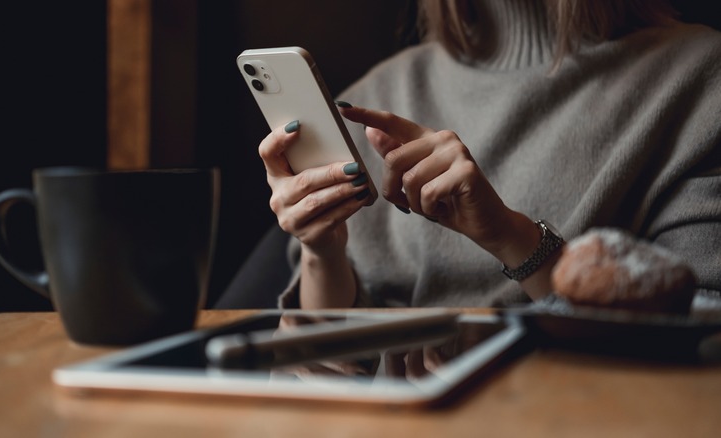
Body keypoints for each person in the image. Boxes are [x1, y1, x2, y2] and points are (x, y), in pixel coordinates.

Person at [256, 0, 721, 311]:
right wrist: (321, 253)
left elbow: (700, 338)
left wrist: (510, 235)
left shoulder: (698, 79)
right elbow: (322, 362)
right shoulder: (373, 96)